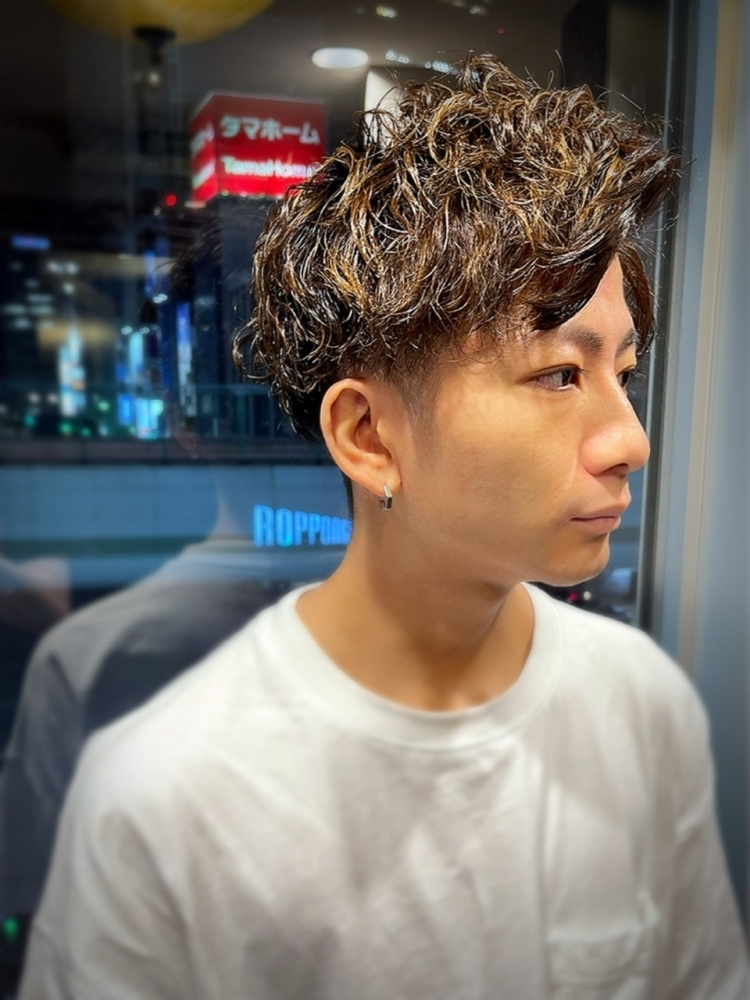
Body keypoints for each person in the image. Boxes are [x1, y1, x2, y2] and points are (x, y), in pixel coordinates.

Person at [19, 55, 749, 999]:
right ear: (368, 436)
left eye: (625, 372)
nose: (631, 441)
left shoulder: (641, 705)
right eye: (560, 374)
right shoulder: (162, 801)